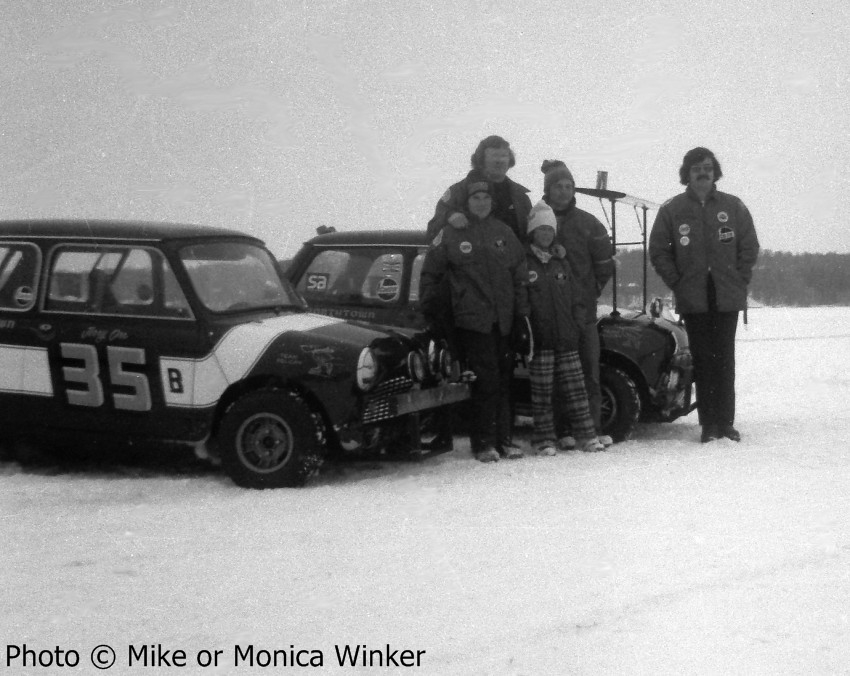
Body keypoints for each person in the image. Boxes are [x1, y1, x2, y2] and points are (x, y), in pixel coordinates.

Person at [649, 147, 760, 443]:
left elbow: (749, 245)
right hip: (693, 296)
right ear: (687, 172)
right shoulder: (672, 209)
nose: (703, 172)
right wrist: (677, 281)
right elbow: (659, 250)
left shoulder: (733, 206)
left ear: (715, 171)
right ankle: (708, 424)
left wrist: (739, 277)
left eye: (708, 167)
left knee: (725, 360)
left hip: (726, 295)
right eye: (697, 168)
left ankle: (726, 423)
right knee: (704, 360)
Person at [420, 171, 529, 462]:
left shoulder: (503, 233)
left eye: (486, 197)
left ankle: (504, 441)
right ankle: (483, 443)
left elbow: (520, 276)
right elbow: (431, 274)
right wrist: (434, 312)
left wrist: (521, 316)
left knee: (505, 381)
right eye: (475, 197)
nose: (481, 202)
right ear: (466, 202)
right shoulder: (452, 233)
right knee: (485, 382)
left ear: (492, 202)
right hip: (471, 322)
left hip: (503, 321)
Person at [541, 160, 615, 448]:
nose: (564, 191)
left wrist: (590, 292)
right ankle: (562, 431)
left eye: (569, 186)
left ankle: (591, 428)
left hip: (582, 312)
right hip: (548, 314)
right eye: (558, 186)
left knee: (588, 371)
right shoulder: (536, 219)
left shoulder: (588, 223)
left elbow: (604, 264)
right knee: (555, 375)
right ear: (548, 189)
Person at [524, 201, 605, 455]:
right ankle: (545, 439)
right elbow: (522, 300)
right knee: (543, 393)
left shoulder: (562, 262)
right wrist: (527, 329)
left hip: (567, 337)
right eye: (541, 230)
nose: (546, 235)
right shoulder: (526, 264)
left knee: (576, 390)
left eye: (549, 230)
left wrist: (577, 323)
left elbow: (576, 298)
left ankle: (587, 435)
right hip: (541, 340)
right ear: (532, 233)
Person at [426, 135, 532, 243]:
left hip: (510, 258)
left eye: (503, 155)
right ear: (481, 159)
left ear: (510, 160)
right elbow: (432, 230)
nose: (499, 160)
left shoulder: (520, 196)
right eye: (494, 155)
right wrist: (449, 216)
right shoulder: (459, 191)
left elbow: (530, 237)